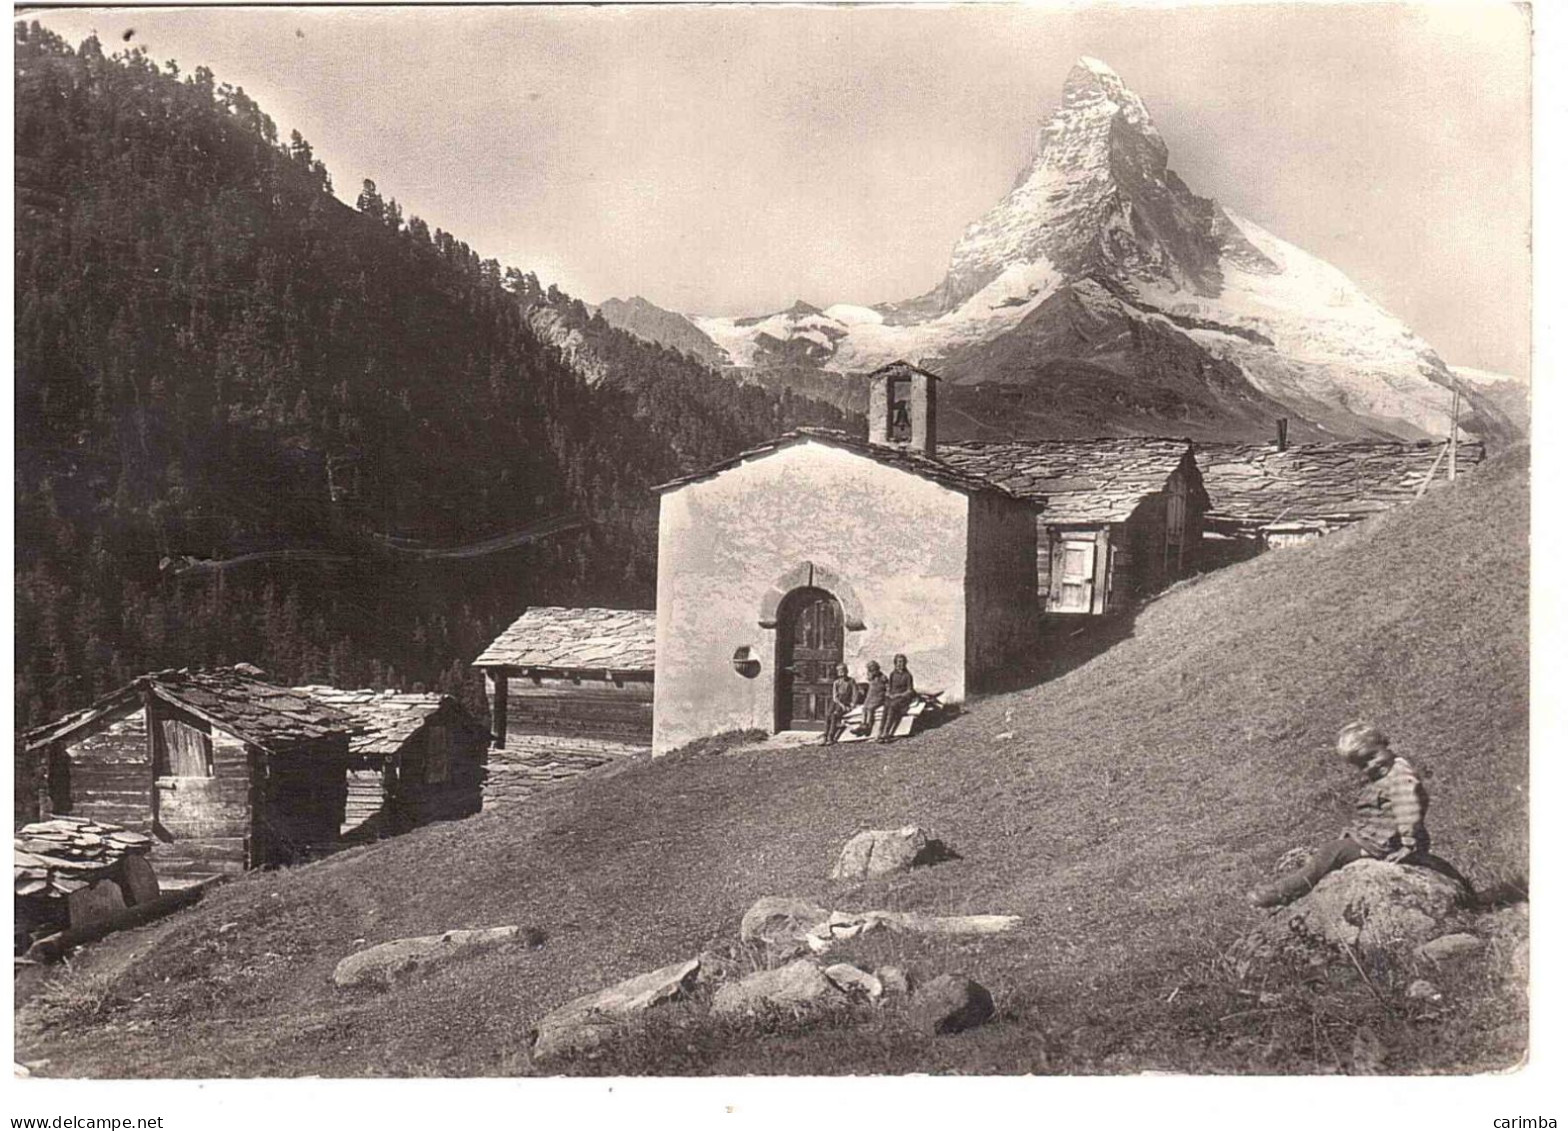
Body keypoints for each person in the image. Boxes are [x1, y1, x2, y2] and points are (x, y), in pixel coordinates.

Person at [1248, 721, 1462, 908]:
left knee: (1328, 853)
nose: (1371, 766)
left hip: (1380, 844)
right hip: (1379, 838)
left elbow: (1408, 809)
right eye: (1362, 764)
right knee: (1334, 851)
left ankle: (1283, 891)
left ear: (1384, 743)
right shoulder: (1393, 770)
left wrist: (1408, 844)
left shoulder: (1400, 777)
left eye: (1372, 756)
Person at [878, 654, 916, 743]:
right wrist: (888, 694)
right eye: (898, 662)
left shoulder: (908, 675)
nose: (900, 664)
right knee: (886, 706)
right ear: (895, 663)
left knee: (892, 706)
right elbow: (889, 687)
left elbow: (909, 690)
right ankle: (880, 732)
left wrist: (898, 695)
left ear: (905, 663)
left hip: (903, 698)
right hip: (892, 697)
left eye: (902, 662)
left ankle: (886, 733)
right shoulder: (892, 674)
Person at [822, 663, 857, 746]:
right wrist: (841, 705)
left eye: (843, 671)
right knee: (827, 715)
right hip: (837, 702)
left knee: (834, 715)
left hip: (846, 701)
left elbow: (855, 693)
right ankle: (825, 736)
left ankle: (831, 736)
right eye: (840, 671)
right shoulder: (836, 682)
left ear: (847, 671)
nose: (842, 673)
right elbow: (835, 696)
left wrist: (852, 704)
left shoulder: (851, 681)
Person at [857, 660, 887, 737]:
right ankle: (862, 724)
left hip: (879, 696)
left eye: (874, 670)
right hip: (871, 696)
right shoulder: (871, 677)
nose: (872, 672)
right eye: (870, 670)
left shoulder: (882, 677)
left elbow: (887, 687)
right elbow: (869, 680)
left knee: (870, 709)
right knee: (864, 708)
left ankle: (868, 725)